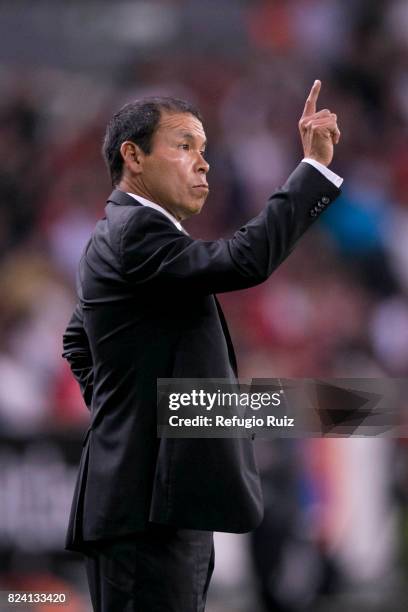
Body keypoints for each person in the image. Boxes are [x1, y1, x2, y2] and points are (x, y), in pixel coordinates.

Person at [62, 80, 342, 612]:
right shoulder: (137, 232)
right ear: (133, 156)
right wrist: (313, 171)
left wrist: (130, 413)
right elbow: (244, 260)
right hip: (146, 509)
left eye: (205, 149)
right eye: (185, 145)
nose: (203, 163)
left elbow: (78, 340)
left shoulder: (119, 233)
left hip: (152, 503)